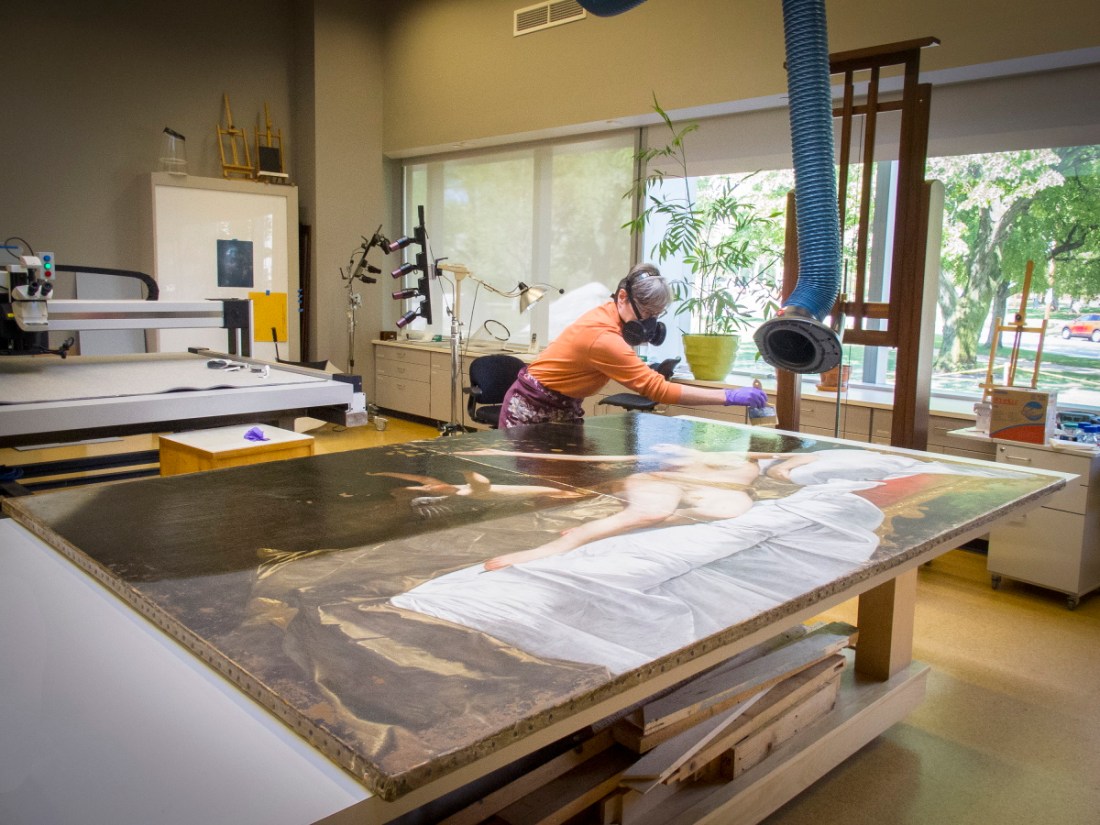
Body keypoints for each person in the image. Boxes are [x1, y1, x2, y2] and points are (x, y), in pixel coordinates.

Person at [497, 263, 767, 428]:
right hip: (530, 406)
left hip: (564, 405)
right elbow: (658, 390)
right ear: (622, 297)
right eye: (646, 314)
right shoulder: (604, 338)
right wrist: (728, 397)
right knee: (531, 488)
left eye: (656, 316)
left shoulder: (611, 314)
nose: (649, 324)